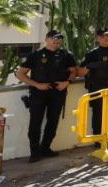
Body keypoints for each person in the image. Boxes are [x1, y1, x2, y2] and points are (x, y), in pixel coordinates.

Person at [18, 30, 76, 162]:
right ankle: (34, 152)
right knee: (35, 123)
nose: (57, 40)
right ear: (46, 39)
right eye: (54, 38)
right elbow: (20, 74)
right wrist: (37, 85)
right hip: (38, 93)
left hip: (58, 92)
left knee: (53, 121)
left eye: (59, 38)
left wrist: (67, 82)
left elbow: (74, 71)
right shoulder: (36, 55)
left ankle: (46, 148)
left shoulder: (66, 55)